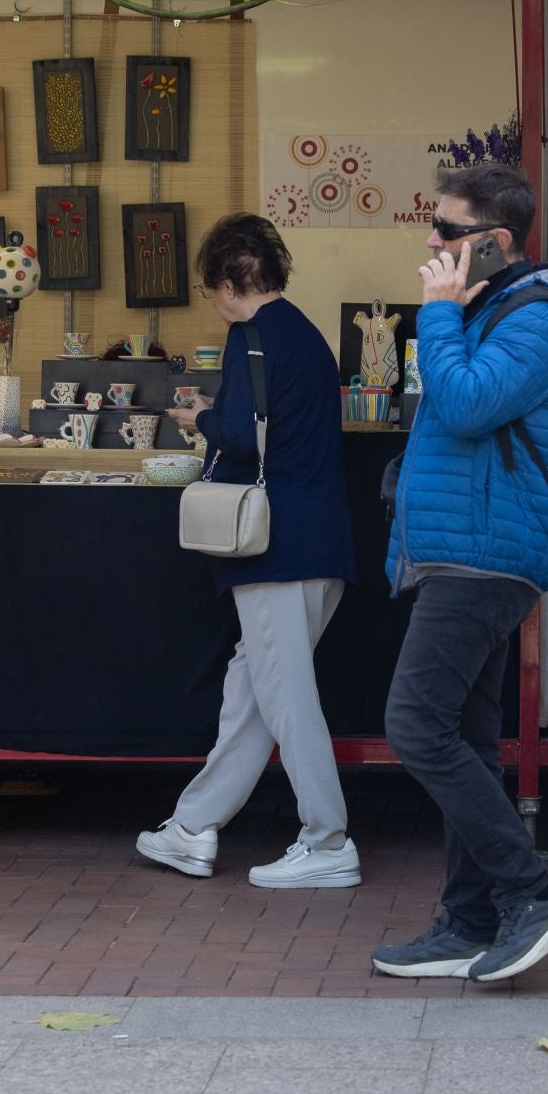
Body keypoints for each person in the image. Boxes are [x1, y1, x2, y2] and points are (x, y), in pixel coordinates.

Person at [371, 165, 548, 982]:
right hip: (461, 549)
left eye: (447, 230)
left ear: (496, 243)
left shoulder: (539, 321)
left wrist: (436, 313)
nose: (432, 243)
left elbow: (466, 405)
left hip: (486, 556)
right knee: (462, 734)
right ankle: (467, 920)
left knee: (416, 724)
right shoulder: (495, 309)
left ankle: (531, 893)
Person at [136, 215, 359, 889]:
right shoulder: (305, 334)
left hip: (273, 548)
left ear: (235, 280)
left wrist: (197, 417)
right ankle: (192, 827)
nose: (213, 301)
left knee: (285, 696)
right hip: (319, 542)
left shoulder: (250, 338)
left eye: (213, 288)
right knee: (253, 692)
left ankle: (327, 838)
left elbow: (239, 433)